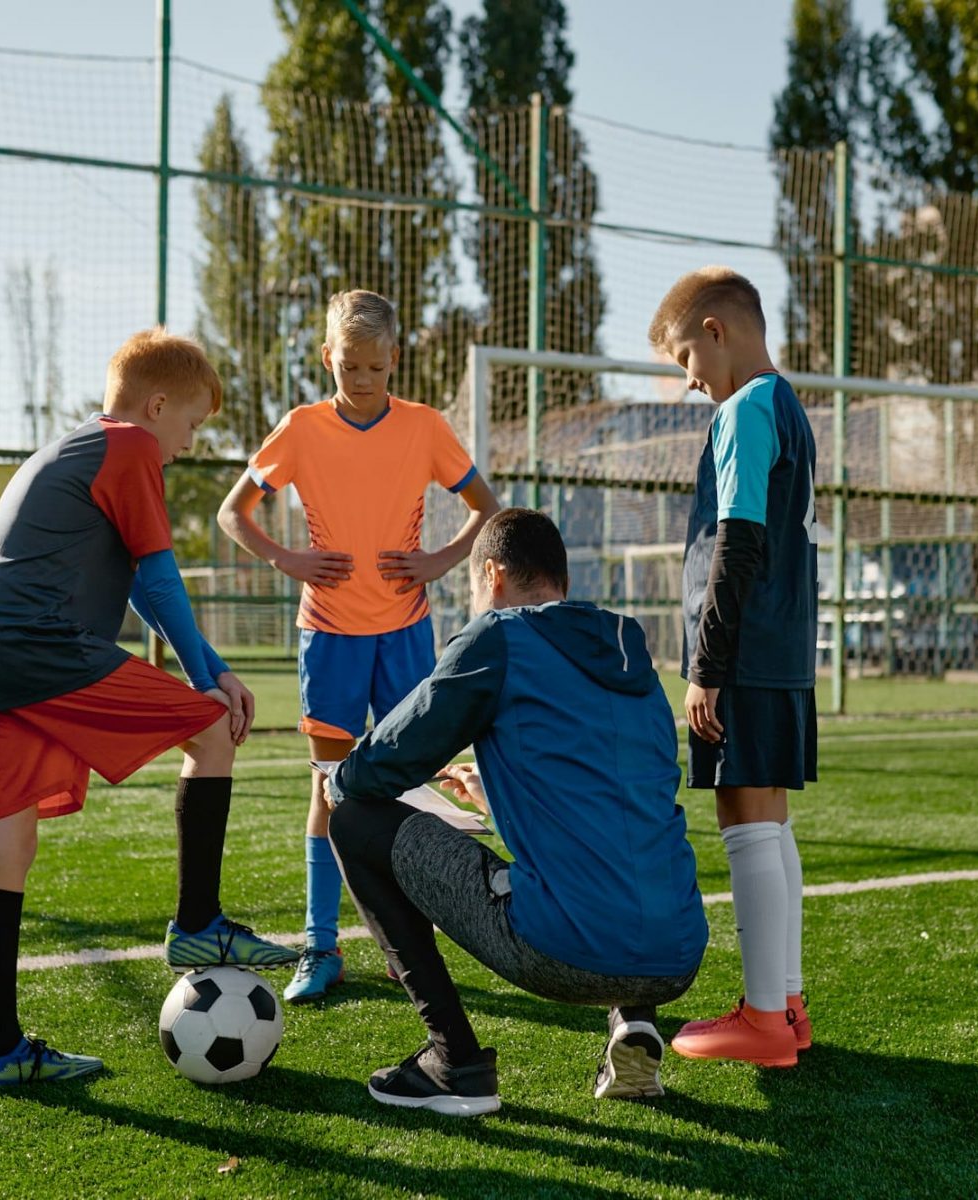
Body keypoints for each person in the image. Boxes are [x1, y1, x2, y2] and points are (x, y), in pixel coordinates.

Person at [0, 328, 298, 1090]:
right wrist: (211, 680)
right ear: (158, 404)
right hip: (37, 644)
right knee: (211, 730)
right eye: (193, 426)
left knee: (8, 850)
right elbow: (164, 585)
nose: (185, 446)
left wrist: (216, 665)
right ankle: (199, 926)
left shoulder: (74, 447)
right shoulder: (130, 446)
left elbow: (136, 585)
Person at [322, 507, 709, 1116]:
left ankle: (454, 1061)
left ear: (493, 575)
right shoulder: (628, 651)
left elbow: (388, 759)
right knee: (623, 838)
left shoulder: (498, 636)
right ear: (563, 583)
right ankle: (634, 1019)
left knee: (351, 819)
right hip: (679, 952)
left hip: (563, 951)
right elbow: (609, 791)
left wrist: (338, 778)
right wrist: (500, 792)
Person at [218, 290, 498, 1004]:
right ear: (327, 359)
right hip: (331, 636)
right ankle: (321, 945)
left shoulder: (426, 427)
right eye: (350, 367)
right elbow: (233, 513)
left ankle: (419, 937)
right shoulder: (301, 429)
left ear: (394, 360)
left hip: (406, 630)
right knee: (328, 790)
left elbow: (488, 510)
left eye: (375, 366)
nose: (364, 378)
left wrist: (440, 560)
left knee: (412, 784)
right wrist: (289, 559)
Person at [647, 266, 818, 1068]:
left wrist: (706, 666)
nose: (689, 380)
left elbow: (738, 542)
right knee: (771, 819)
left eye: (685, 357)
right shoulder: (785, 404)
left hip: (743, 655)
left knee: (745, 819)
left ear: (715, 330)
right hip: (778, 650)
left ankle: (761, 1020)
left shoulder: (746, 408)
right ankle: (784, 1002)